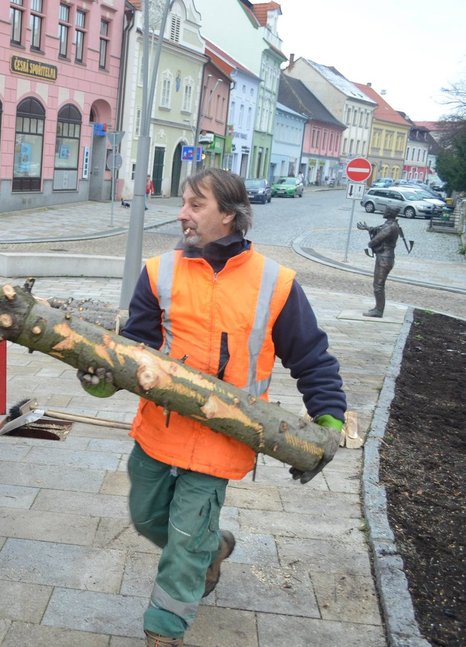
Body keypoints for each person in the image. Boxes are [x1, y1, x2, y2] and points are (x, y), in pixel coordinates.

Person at [78, 168, 347, 647]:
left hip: (225, 435)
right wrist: (103, 378)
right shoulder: (159, 271)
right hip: (160, 428)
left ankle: (164, 630)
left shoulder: (275, 282)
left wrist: (329, 416)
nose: (183, 213)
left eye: (195, 204)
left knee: (183, 536)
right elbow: (136, 346)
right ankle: (215, 546)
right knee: (145, 518)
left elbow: (310, 355)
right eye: (183, 202)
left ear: (229, 214)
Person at [356, 206, 401, 318]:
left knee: (378, 285)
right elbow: (379, 230)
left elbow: (376, 239)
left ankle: (379, 311)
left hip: (384, 259)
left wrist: (370, 243)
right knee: (378, 285)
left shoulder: (390, 227)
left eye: (386, 210)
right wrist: (368, 228)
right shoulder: (391, 225)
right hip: (385, 258)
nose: (384, 211)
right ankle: (377, 308)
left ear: (389, 213)